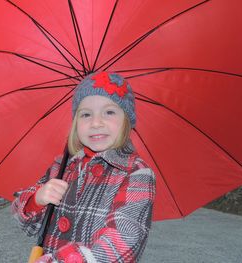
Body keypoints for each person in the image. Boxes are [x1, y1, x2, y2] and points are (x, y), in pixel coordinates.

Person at [12, 71, 156, 262]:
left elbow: (122, 243)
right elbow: (26, 222)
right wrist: (37, 199)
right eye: (86, 114)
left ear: (127, 121)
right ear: (75, 123)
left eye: (109, 112)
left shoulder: (136, 173)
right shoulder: (61, 167)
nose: (96, 123)